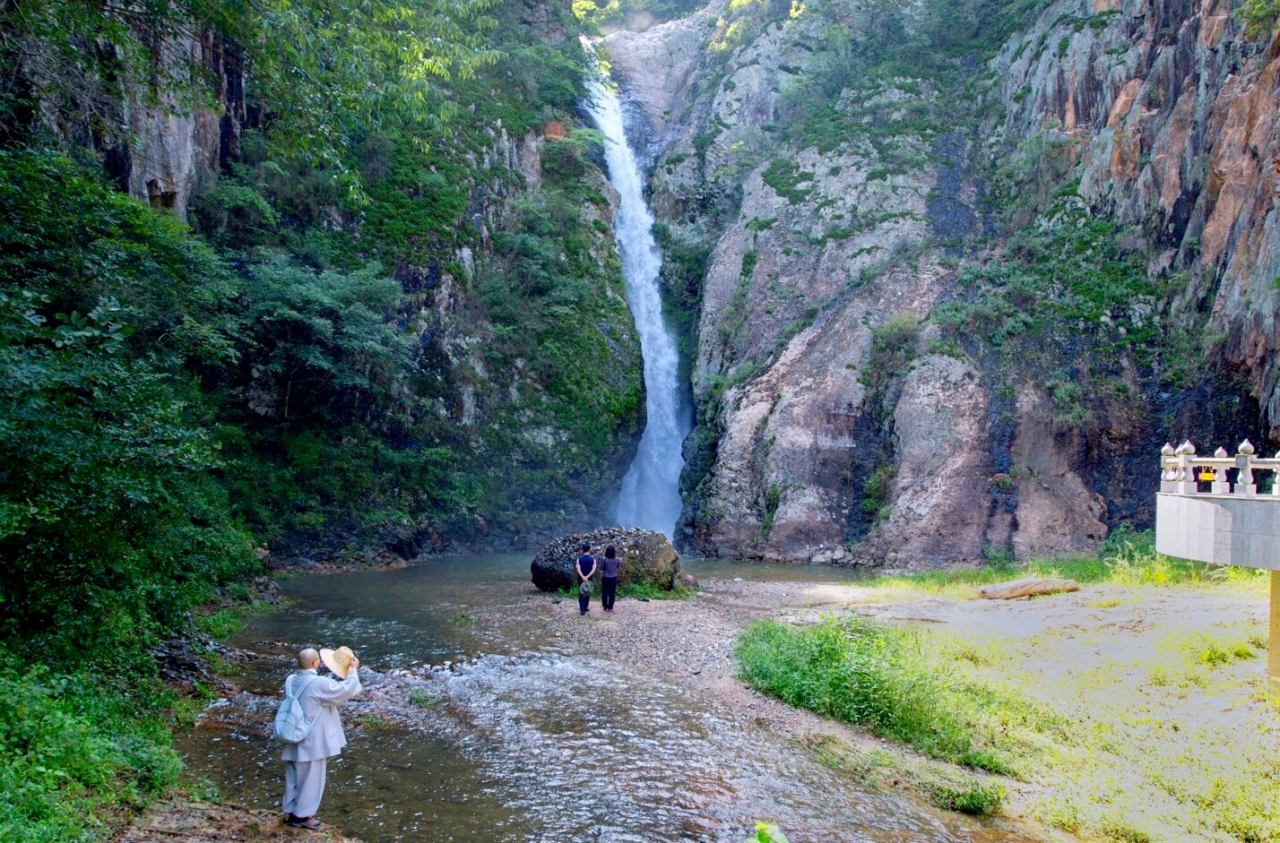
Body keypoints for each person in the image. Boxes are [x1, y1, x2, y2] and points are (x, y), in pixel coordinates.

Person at [280, 646, 362, 830]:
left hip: (292, 734)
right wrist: (353, 671)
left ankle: (291, 812)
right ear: (315, 663)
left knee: (293, 777)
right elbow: (346, 691)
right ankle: (303, 816)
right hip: (311, 740)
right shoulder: (318, 683)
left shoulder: (290, 680)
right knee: (311, 779)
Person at [575, 543, 597, 615]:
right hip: (589, 579)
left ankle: (582, 610)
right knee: (588, 592)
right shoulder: (593, 560)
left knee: (581, 592)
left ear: (582, 550)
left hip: (581, 579)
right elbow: (593, 570)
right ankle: (586, 607)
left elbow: (578, 569)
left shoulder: (579, 560)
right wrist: (587, 577)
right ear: (589, 550)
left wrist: (583, 577)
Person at [600, 544, 620, 613]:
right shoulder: (617, 559)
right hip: (613, 577)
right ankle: (611, 607)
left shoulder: (604, 559)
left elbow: (601, 568)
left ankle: (605, 607)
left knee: (605, 593)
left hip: (605, 577)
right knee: (612, 593)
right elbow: (618, 567)